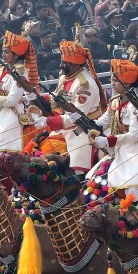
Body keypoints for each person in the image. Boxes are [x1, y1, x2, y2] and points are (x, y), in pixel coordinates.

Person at [87, 58, 138, 198]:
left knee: (133, 187)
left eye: (115, 81)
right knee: (93, 179)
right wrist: (92, 126)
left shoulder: (136, 105)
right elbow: (104, 120)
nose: (112, 84)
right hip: (120, 147)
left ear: (126, 83)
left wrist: (108, 141)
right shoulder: (115, 101)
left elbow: (135, 135)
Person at [35, 40, 107, 177]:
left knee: (77, 161)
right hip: (66, 126)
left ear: (74, 64)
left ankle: (79, 180)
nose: (60, 66)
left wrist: (47, 121)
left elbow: (76, 117)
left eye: (64, 63)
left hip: (84, 127)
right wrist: (38, 97)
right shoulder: (65, 77)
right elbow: (57, 99)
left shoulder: (85, 85)